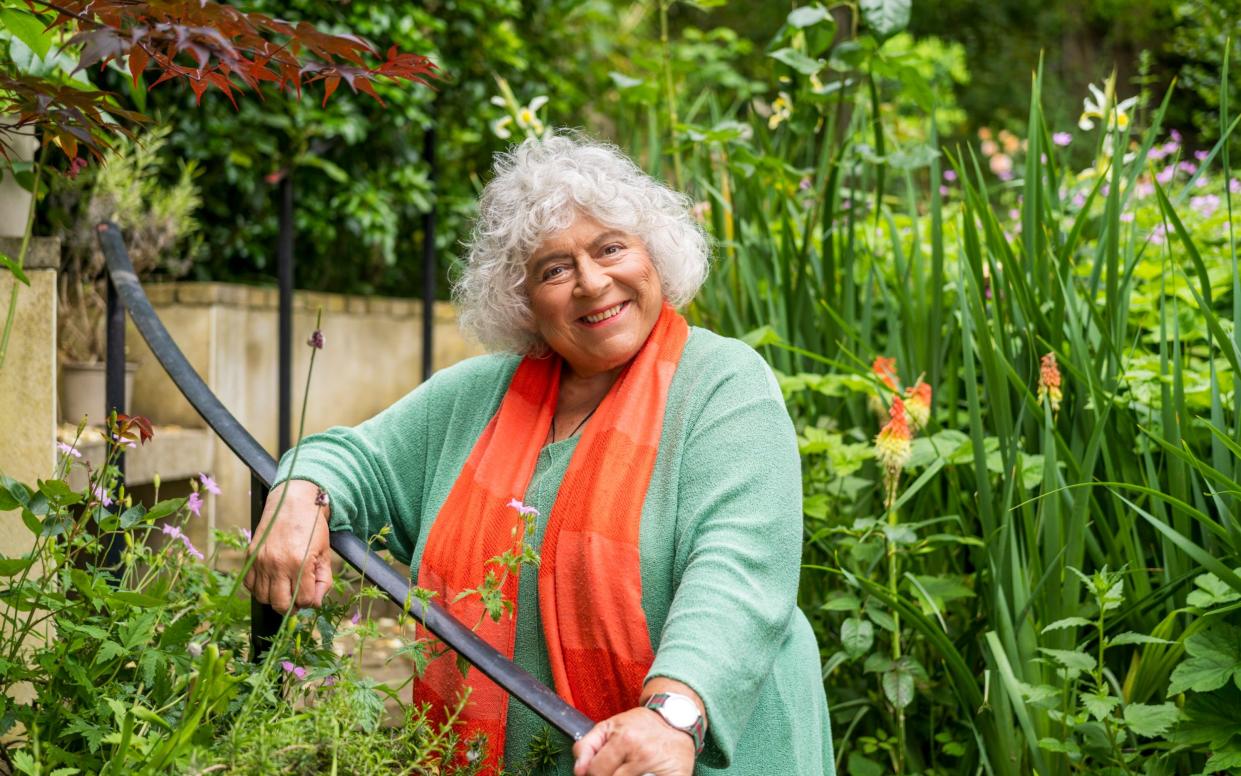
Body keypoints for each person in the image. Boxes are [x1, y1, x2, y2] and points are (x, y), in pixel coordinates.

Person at [244, 132, 834, 776]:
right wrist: (299, 492)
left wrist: (673, 715)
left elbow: (738, 572)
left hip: (703, 755)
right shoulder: (477, 396)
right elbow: (356, 457)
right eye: (555, 269)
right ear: (522, 297)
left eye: (612, 248)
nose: (591, 282)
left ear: (655, 257)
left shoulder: (724, 382)